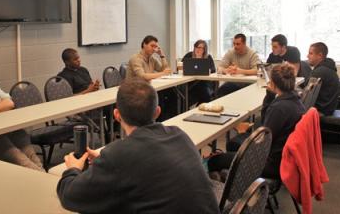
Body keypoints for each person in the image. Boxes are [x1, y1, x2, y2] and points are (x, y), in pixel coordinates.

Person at [56, 78, 220, 214]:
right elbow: (149, 164)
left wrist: (73, 169)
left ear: (116, 115)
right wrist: (106, 162)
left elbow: (69, 197)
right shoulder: (178, 134)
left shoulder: (118, 154)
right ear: (157, 112)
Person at [208, 64, 305, 179]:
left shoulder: (279, 108)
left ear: (272, 83)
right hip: (283, 158)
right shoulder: (295, 100)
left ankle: (231, 187)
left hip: (271, 163)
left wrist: (243, 132)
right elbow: (266, 126)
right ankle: (234, 177)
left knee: (214, 161)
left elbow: (262, 142)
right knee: (233, 145)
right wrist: (269, 96)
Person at [307, 42, 339, 116]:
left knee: (290, 108)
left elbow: (307, 94)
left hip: (322, 110)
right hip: (329, 107)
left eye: (311, 53)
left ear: (320, 55)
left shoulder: (319, 72)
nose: (307, 56)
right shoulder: (328, 67)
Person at [182, 39, 216, 104]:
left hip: (204, 82)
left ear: (204, 49)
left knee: (204, 90)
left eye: (200, 48)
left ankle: (200, 105)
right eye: (196, 47)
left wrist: (207, 70)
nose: (198, 49)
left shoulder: (208, 57)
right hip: (190, 82)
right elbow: (181, 66)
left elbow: (213, 70)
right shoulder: (189, 55)